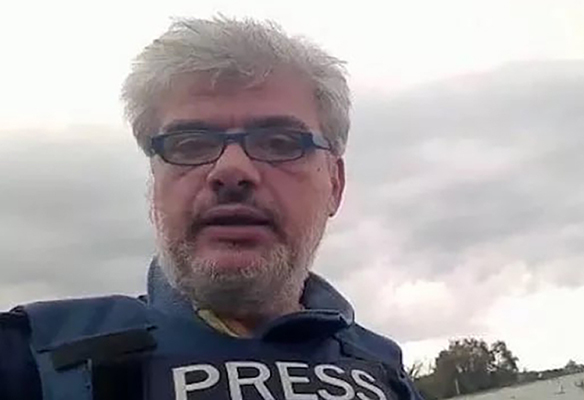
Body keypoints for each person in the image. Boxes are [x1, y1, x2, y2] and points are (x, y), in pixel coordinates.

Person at [0, 16, 424, 400]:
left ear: (335, 184)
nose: (231, 170)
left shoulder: (385, 373)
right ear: (154, 185)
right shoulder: (31, 356)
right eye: (190, 144)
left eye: (279, 142)